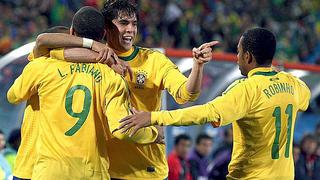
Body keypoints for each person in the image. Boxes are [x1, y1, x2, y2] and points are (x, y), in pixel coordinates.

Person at [32, 1, 217, 179]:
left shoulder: (154, 60)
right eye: (123, 23)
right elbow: (45, 44)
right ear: (107, 29)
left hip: (147, 169)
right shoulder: (93, 59)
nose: (130, 29)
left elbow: (186, 94)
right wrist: (94, 46)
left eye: (134, 24)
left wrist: (198, 67)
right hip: (107, 170)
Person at [119, 27, 312, 179]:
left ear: (248, 57)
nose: (236, 58)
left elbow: (204, 113)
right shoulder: (293, 84)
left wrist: (152, 116)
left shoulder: (247, 89)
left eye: (239, 52)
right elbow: (305, 98)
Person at [7, 6, 161, 180]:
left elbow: (12, 96)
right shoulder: (111, 75)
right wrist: (155, 133)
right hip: (92, 171)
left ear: (72, 33)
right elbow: (121, 129)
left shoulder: (42, 65)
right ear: (104, 34)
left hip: (42, 168)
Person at [11, 26, 70, 180]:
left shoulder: (39, 67)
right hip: (63, 167)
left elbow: (12, 96)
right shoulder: (84, 72)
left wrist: (36, 60)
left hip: (30, 164)